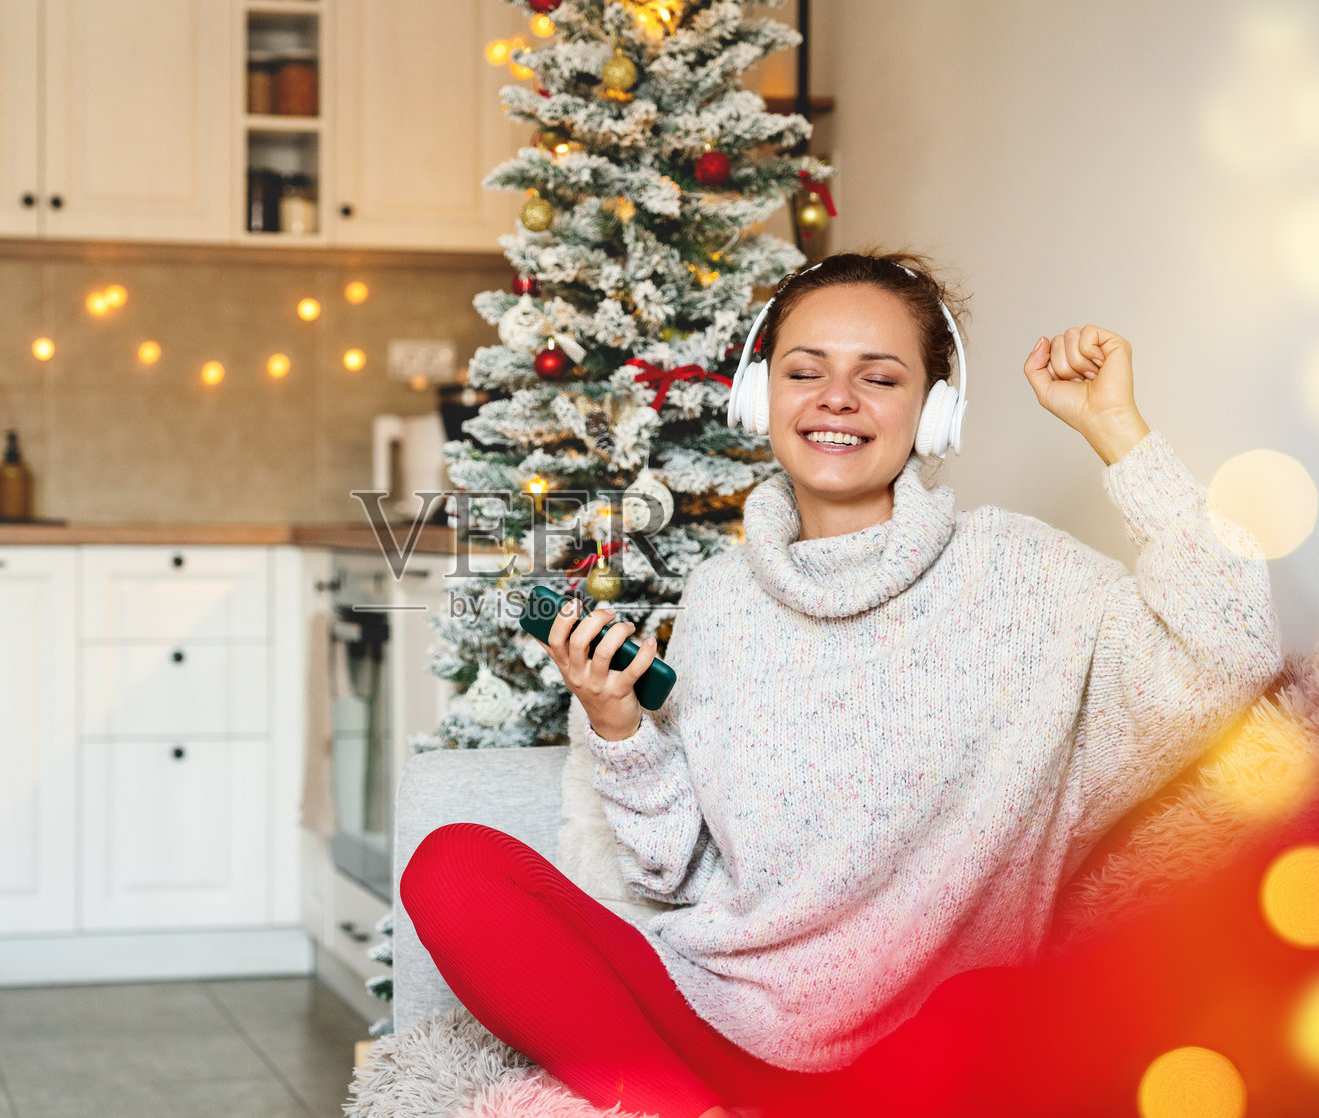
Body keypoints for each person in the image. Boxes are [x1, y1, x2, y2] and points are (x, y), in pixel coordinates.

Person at [399, 250, 1285, 1118]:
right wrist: (616, 722)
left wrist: (1115, 429)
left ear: (935, 412)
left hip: (918, 1060)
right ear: (762, 396)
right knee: (453, 867)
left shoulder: (1024, 573)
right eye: (805, 370)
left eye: (881, 377)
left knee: (1008, 1006)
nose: (837, 399)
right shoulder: (721, 596)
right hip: (709, 1022)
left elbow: (1236, 641)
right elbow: (674, 870)